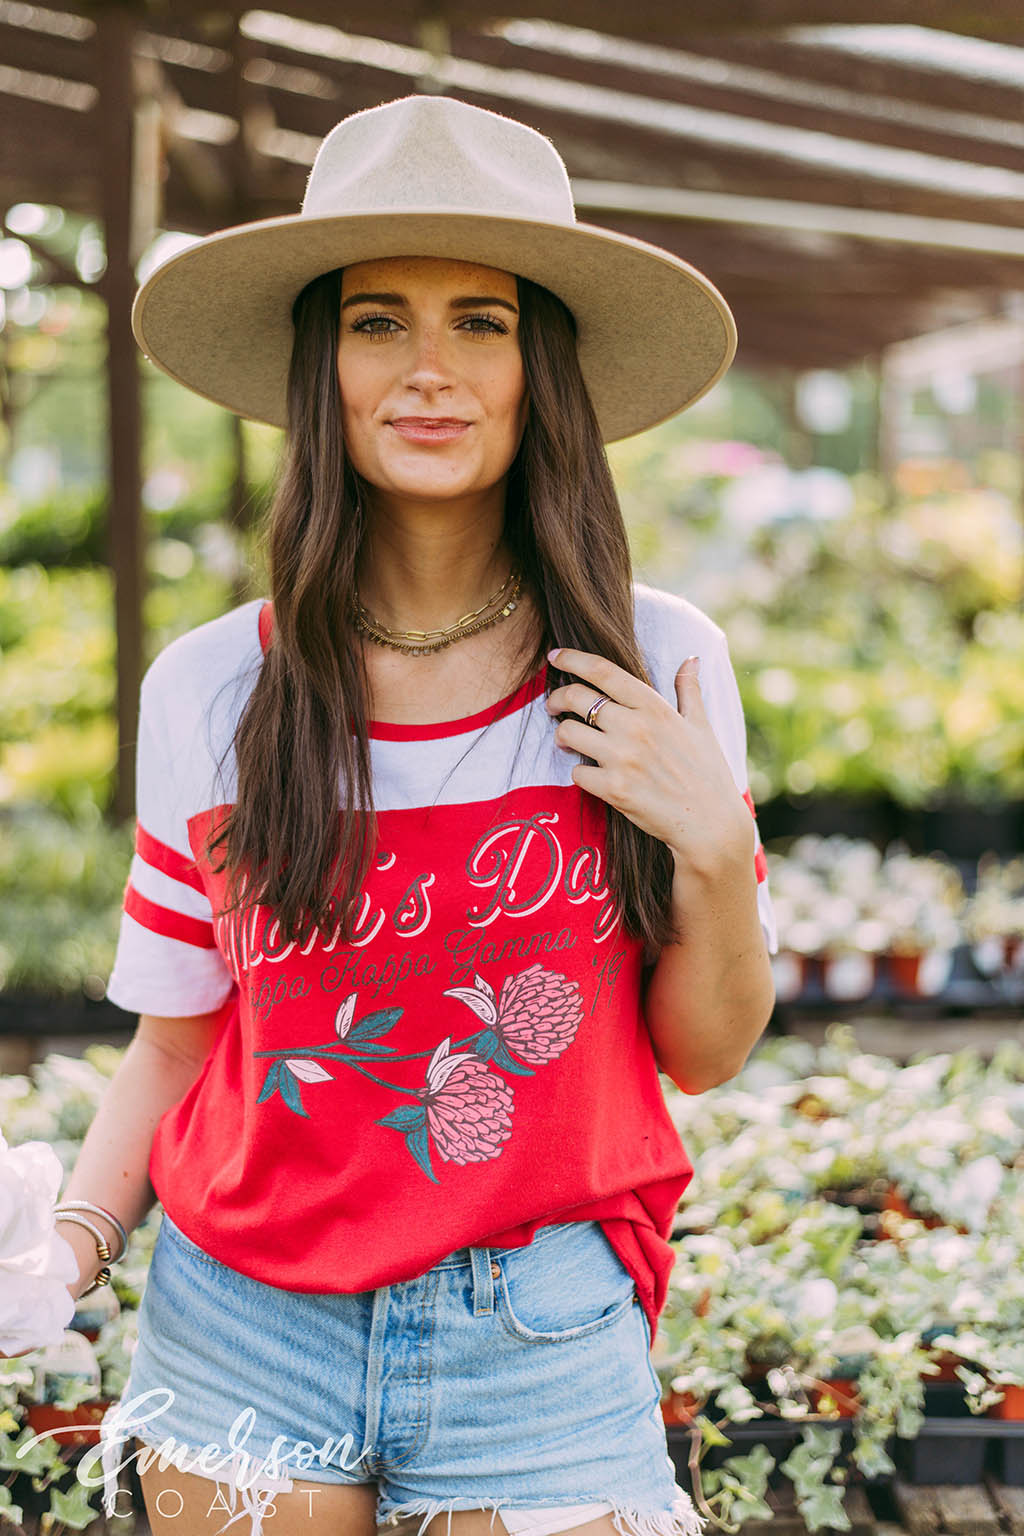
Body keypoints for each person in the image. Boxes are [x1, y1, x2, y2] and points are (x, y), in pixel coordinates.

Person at [35, 94, 779, 1536]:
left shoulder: (657, 664)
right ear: (323, 365)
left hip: (538, 1333)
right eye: (378, 321)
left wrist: (708, 844)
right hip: (244, 1326)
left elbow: (706, 1048)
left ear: (540, 367)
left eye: (479, 323)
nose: (428, 370)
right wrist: (69, 1244)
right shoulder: (214, 689)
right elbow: (181, 1041)